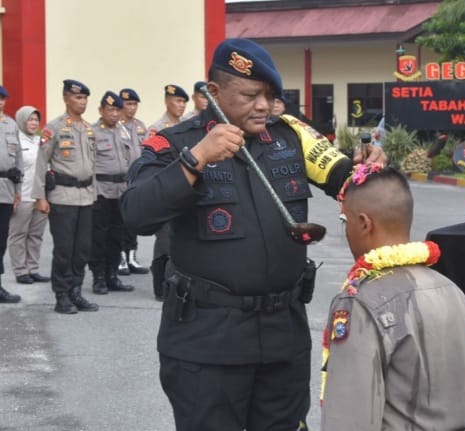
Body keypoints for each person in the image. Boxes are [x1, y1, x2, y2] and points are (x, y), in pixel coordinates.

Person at [120, 38, 385, 430]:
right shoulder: (176, 143)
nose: (263, 105)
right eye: (250, 95)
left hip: (283, 337)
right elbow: (136, 213)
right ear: (213, 92)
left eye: (269, 95)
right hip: (207, 342)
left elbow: (350, 180)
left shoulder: (290, 137)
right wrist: (196, 160)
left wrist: (368, 168)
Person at [321, 164, 465, 430]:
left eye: (345, 222)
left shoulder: (360, 302)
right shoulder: (451, 289)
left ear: (364, 223)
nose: (345, 232)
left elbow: (348, 417)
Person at [32, 79, 99, 314]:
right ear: (66, 98)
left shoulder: (89, 129)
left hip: (86, 197)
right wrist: (40, 196)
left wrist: (96, 193)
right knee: (64, 249)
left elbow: (94, 164)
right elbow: (42, 163)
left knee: (82, 248)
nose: (82, 102)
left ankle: (76, 292)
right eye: (78, 98)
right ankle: (61, 295)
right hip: (62, 197)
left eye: (84, 98)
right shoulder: (54, 128)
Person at [88, 91, 135, 295]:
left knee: (117, 236)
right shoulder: (93, 132)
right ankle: (99, 277)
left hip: (121, 191)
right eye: (110, 110)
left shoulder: (123, 131)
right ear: (101, 110)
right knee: (99, 237)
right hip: (101, 191)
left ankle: (112, 275)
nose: (114, 114)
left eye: (117, 110)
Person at [147, 84, 189, 300]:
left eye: (183, 102)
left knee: (176, 239)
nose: (181, 106)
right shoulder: (157, 129)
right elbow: (150, 162)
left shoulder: (187, 127)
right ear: (167, 101)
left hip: (182, 191)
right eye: (177, 101)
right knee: (165, 241)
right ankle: (161, 287)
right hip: (163, 191)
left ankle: (171, 284)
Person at [9, 106, 50, 285]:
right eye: (30, 119)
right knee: (19, 234)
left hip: (40, 195)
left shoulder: (41, 140)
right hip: (23, 194)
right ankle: (20, 270)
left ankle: (33, 268)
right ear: (21, 120)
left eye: (36, 119)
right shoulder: (15, 141)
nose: (33, 123)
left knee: (36, 234)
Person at [117, 88, 150, 275]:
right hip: (120, 181)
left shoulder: (139, 126)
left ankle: (132, 256)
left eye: (135, 104)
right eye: (129, 104)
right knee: (120, 221)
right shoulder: (116, 127)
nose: (132, 108)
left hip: (136, 181)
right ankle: (121, 257)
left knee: (133, 219)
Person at [0, 85, 23, 304]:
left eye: (2, 99)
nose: (0, 102)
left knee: (1, 240)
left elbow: (18, 161)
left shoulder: (11, 125)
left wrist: (18, 191)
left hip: (6, 188)